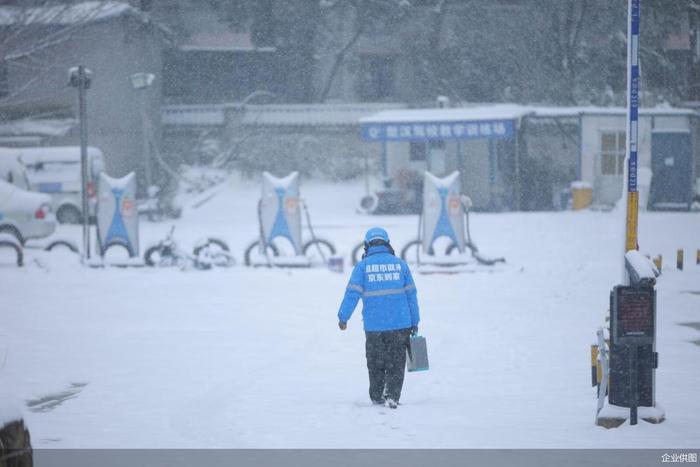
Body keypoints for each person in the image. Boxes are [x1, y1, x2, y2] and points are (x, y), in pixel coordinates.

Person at [337, 227, 420, 409]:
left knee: (375, 362)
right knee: (397, 363)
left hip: (374, 326)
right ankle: (393, 396)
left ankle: (376, 396)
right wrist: (415, 321)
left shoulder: (363, 267)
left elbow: (352, 294)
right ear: (387, 244)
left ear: (367, 246)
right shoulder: (400, 265)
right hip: (401, 324)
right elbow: (411, 295)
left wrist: (343, 317)